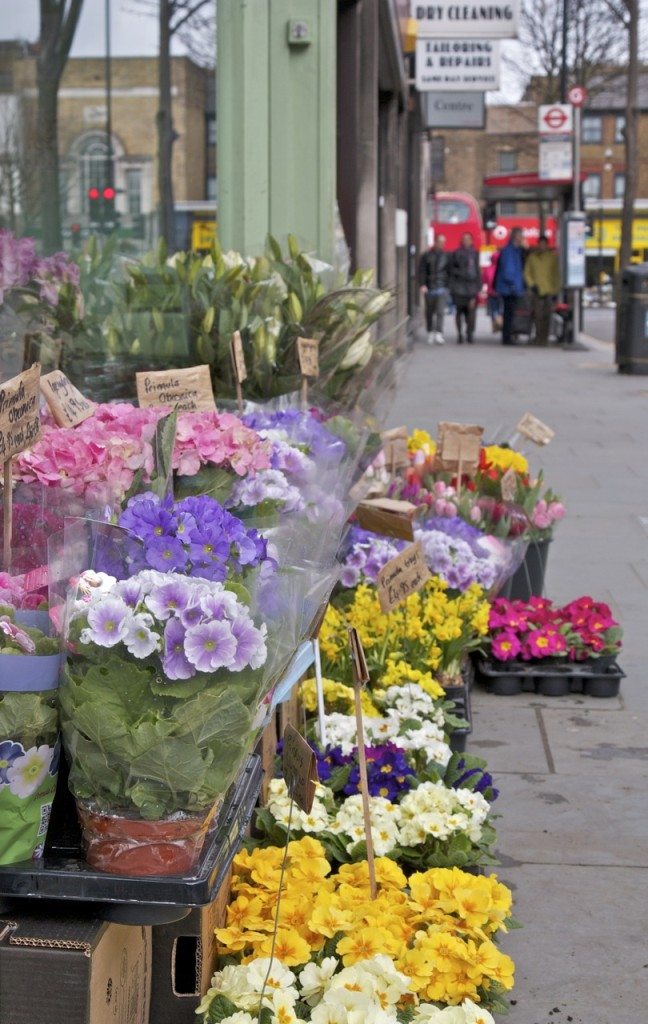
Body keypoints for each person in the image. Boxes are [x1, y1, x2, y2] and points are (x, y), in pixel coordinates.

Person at [524, 234, 561, 346]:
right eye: (540, 244)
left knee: (547, 316)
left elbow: (556, 275)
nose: (542, 246)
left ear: (547, 245)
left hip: (549, 291)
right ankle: (538, 337)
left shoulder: (552, 258)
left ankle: (544, 339)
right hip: (537, 291)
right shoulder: (532, 257)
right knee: (537, 316)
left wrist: (555, 290)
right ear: (538, 244)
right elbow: (527, 272)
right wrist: (532, 284)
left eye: (544, 244)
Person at [494, 226, 525, 346]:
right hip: (510, 289)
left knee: (509, 313)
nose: (523, 238)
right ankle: (507, 338)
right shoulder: (510, 250)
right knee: (508, 314)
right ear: (516, 237)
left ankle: (507, 337)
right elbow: (509, 271)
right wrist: (513, 285)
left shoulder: (513, 249)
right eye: (521, 235)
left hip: (510, 288)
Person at [448, 232, 480, 344]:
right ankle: (459, 334)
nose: (466, 241)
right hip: (459, 287)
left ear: (471, 241)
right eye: (464, 239)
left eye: (468, 239)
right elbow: (451, 270)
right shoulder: (456, 253)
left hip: (471, 287)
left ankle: (469, 333)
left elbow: (477, 271)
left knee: (471, 312)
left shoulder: (475, 253)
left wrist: (478, 287)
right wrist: (461, 273)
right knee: (459, 311)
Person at [418, 235, 449, 345]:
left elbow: (449, 272)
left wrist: (447, 286)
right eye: (439, 242)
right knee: (429, 312)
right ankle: (430, 331)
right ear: (435, 242)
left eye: (443, 242)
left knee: (440, 311)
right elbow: (422, 271)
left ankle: (439, 333)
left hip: (442, 288)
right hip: (429, 287)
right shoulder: (426, 256)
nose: (441, 244)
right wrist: (422, 284)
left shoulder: (446, 256)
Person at [482, 251, 502, 333]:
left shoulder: (488, 269)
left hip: (491, 293)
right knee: (500, 310)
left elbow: (484, 280)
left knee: (493, 311)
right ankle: (499, 324)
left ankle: (495, 325)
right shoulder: (502, 268)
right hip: (500, 293)